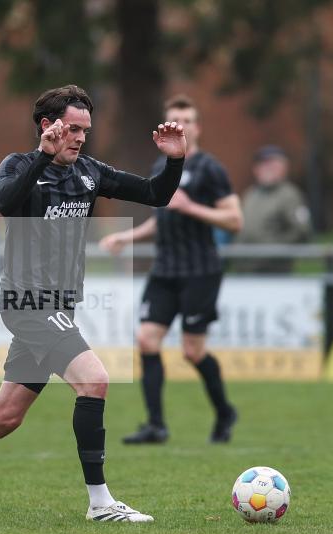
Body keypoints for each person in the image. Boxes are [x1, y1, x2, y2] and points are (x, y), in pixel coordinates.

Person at [0, 84, 186, 523]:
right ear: (49, 126)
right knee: (95, 380)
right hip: (27, 303)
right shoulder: (20, 165)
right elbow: (6, 202)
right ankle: (100, 504)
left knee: (3, 419)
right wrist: (43, 157)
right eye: (74, 129)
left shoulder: (89, 171)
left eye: (86, 130)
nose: (81, 138)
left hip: (59, 307)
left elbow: (156, 194)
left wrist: (175, 158)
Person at [99, 94, 242, 445]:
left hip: (200, 270)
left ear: (198, 127)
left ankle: (224, 412)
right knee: (146, 340)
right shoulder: (159, 167)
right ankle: (156, 425)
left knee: (192, 351)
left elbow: (234, 220)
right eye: (175, 120)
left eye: (188, 120)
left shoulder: (211, 169)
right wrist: (128, 237)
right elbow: (161, 220)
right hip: (165, 270)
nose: (182, 125)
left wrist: (192, 206)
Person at [236, 145, 311, 273]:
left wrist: (274, 251)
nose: (268, 169)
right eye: (263, 164)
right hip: (245, 270)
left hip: (274, 272)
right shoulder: (250, 194)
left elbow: (302, 231)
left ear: (284, 168)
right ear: (256, 169)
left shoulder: (289, 195)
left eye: (273, 164)